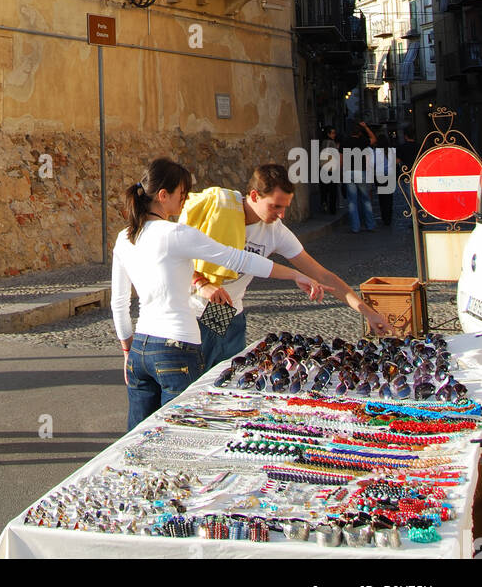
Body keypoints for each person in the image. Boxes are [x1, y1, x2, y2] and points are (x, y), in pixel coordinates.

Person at [110, 158, 327, 431]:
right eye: (182, 194)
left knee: (136, 437)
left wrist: (127, 349)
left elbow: (118, 302)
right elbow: (238, 260)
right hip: (176, 347)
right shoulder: (178, 233)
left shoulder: (124, 236)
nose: (186, 200)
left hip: (141, 346)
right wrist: (294, 274)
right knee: (179, 434)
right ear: (163, 196)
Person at [180, 164, 391, 374]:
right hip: (194, 310)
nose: (281, 215)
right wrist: (202, 283)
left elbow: (322, 274)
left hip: (228, 311)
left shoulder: (275, 232)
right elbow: (176, 254)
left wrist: (367, 312)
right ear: (254, 196)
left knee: (228, 380)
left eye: (285, 207)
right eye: (275, 206)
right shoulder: (217, 209)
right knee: (193, 384)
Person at [342, 119, 377, 232]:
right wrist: (366, 127)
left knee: (352, 201)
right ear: (360, 133)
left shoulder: (345, 141)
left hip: (348, 172)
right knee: (365, 199)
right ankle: (370, 225)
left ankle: (355, 227)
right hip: (360, 171)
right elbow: (373, 139)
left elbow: (341, 159)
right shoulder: (362, 141)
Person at [319, 126, 340, 214]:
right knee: (333, 190)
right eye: (332, 133)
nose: (334, 135)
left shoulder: (322, 142)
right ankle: (332, 209)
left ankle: (324, 203)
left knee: (323, 189)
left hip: (322, 168)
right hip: (331, 169)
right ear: (328, 134)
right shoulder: (331, 142)